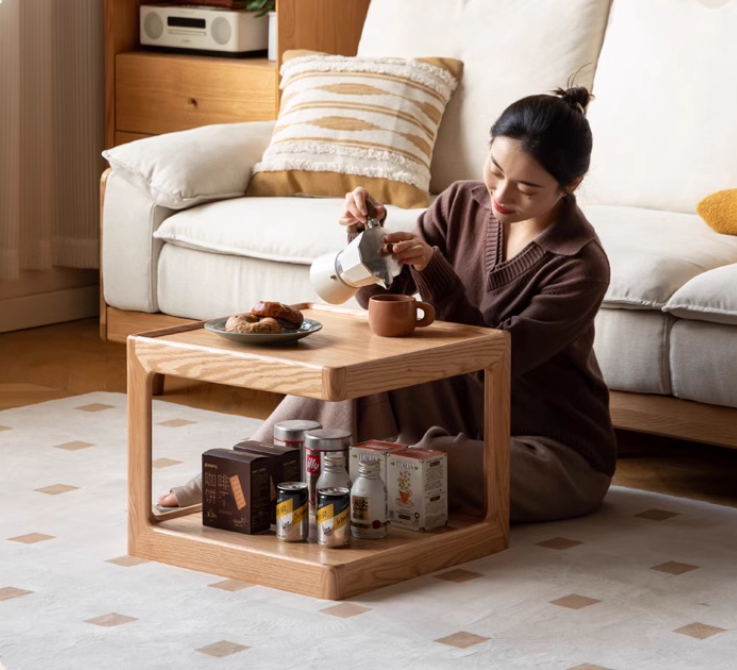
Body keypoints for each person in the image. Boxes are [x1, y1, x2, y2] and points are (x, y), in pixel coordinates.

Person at [158, 83, 616, 523]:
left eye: (527, 189)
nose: (500, 195)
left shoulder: (580, 264)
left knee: (405, 467)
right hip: (464, 412)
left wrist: (436, 272)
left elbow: (489, 361)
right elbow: (383, 307)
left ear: (570, 185)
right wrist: (367, 243)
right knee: (364, 378)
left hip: (548, 451)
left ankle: (279, 479)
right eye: (495, 170)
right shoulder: (460, 203)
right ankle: (246, 466)